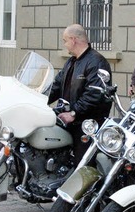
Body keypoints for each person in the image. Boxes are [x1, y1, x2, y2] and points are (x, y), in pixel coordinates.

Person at [48, 24, 113, 164]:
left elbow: (94, 94)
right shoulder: (71, 62)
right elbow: (56, 85)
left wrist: (73, 113)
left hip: (86, 125)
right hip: (70, 120)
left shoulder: (96, 62)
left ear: (73, 39)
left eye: (65, 40)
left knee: (82, 165)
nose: (65, 45)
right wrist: (39, 98)